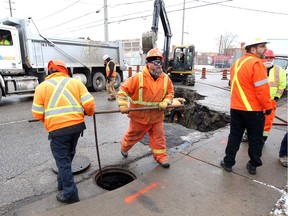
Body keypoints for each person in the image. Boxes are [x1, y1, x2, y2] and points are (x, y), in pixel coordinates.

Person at [31, 59, 95, 203]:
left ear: (50, 71)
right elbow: (89, 104)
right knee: (68, 155)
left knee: (63, 161)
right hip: (77, 127)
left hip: (57, 131)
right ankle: (62, 183)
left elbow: (36, 113)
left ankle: (70, 194)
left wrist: (49, 121)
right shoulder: (76, 83)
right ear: (65, 70)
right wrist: (88, 113)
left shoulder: (42, 87)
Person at [220, 38, 272, 175]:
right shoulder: (256, 63)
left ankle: (228, 162)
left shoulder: (237, 63)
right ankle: (253, 164)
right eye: (262, 46)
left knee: (235, 136)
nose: (265, 49)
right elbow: (262, 90)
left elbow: (232, 84)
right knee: (255, 138)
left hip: (236, 108)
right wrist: (268, 106)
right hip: (253, 110)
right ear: (253, 49)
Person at [117, 48, 174, 168]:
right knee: (132, 136)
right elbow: (123, 90)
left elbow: (170, 93)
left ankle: (161, 157)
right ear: (148, 63)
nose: (159, 66)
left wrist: (166, 101)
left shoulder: (166, 79)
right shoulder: (138, 78)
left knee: (159, 139)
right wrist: (123, 104)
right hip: (139, 117)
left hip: (156, 117)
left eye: (160, 63)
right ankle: (124, 147)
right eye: (156, 63)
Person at [262, 49, 287, 142]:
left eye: (270, 58)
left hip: (271, 100)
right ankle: (248, 134)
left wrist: (276, 98)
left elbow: (282, 85)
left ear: (273, 59)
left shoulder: (279, 70)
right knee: (252, 120)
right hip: (257, 101)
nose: (268, 59)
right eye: (266, 57)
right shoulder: (258, 68)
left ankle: (263, 138)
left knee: (268, 121)